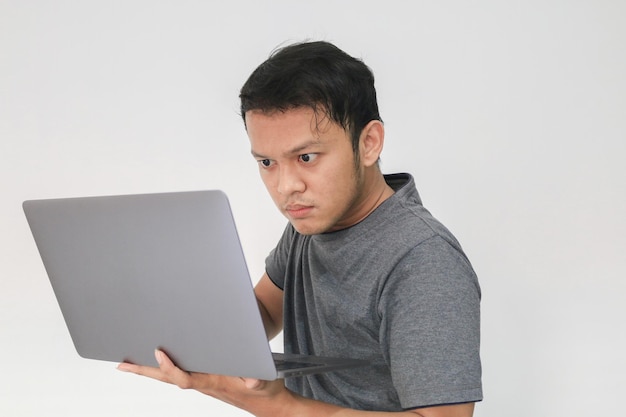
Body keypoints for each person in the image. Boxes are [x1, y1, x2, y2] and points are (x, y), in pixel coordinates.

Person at [117, 40, 483, 417]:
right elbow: (262, 312)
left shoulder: (423, 261)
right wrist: (178, 321)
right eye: (267, 162)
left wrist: (279, 406)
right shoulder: (310, 222)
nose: (285, 186)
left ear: (369, 143)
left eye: (306, 157)